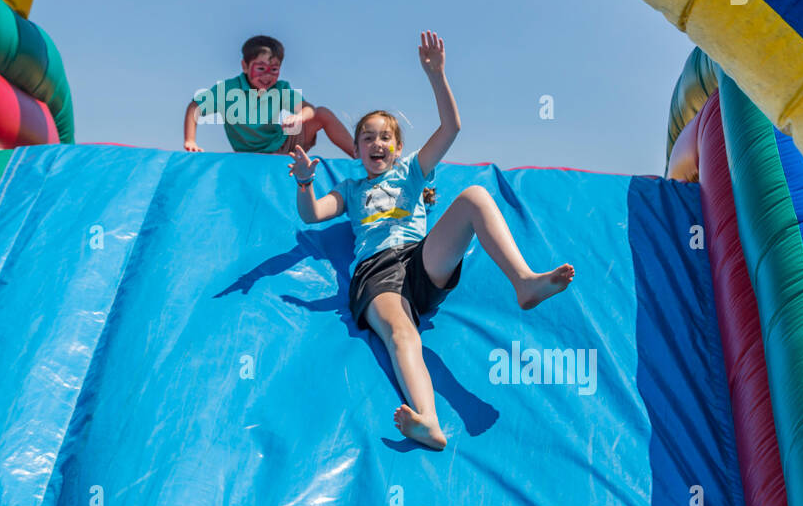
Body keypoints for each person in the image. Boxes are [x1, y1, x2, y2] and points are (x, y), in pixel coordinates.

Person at [290, 31, 575, 450]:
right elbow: (312, 214)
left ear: (398, 147)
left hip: (420, 260)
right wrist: (305, 182)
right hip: (377, 272)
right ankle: (430, 421)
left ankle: (524, 282)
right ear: (357, 149)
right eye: (367, 137)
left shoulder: (411, 172)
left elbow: (451, 127)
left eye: (384, 136)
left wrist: (437, 75)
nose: (376, 143)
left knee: (475, 197)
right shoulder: (351, 190)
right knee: (403, 334)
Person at [184, 35, 356, 156]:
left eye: (273, 70)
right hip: (249, 154)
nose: (267, 76)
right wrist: (190, 140)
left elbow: (309, 109)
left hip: (282, 145)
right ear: (245, 66)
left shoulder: (280, 89)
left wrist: (300, 117)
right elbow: (195, 107)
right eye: (260, 69)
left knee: (322, 113)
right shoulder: (228, 90)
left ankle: (358, 156)